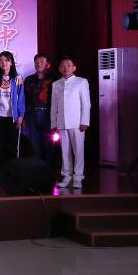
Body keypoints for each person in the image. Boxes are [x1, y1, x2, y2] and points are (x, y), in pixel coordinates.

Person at [51, 56, 90, 192]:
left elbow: (86, 104)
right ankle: (66, 176)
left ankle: (78, 177)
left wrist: (85, 121)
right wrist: (54, 123)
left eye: (68, 65)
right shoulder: (56, 84)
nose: (66, 67)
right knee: (65, 151)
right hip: (61, 122)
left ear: (74, 68)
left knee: (78, 151)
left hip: (77, 123)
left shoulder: (81, 82)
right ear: (59, 69)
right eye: (63, 65)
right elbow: (54, 106)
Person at [0, 51, 26, 163]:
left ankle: (13, 170)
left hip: (13, 117)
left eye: (6, 60)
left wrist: (21, 116)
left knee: (12, 146)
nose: (3, 63)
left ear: (11, 62)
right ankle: (3, 170)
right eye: (1, 60)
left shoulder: (17, 78)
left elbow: (21, 98)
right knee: (1, 145)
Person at [24, 53, 57, 167]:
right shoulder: (29, 79)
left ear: (48, 64)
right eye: (36, 62)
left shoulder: (54, 79)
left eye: (42, 61)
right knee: (34, 143)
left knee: (49, 142)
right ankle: (38, 168)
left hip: (48, 114)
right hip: (32, 114)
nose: (39, 64)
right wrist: (24, 116)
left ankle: (49, 169)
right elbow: (25, 99)